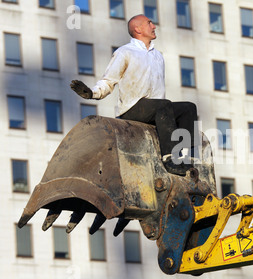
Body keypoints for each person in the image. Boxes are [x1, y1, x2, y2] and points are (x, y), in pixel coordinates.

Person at [70, 14, 198, 176]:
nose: (154, 26)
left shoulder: (158, 56)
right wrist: (92, 93)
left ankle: (187, 157)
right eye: (149, 23)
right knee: (164, 105)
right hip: (132, 109)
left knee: (188, 108)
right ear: (138, 29)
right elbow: (109, 80)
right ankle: (169, 159)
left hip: (156, 109)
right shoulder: (125, 52)